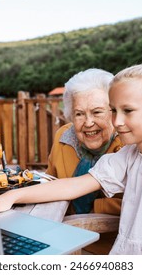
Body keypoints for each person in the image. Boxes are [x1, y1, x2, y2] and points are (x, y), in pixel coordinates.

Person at [0, 55, 142, 255]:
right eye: (113, 110)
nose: (117, 121)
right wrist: (11, 197)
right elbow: (73, 185)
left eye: (128, 111)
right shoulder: (131, 155)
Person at [46, 68, 123, 214]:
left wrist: (96, 209)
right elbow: (50, 180)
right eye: (79, 114)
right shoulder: (63, 136)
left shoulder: (128, 142)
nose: (88, 123)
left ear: (113, 111)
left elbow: (140, 205)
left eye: (97, 112)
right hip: (64, 228)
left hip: (111, 235)